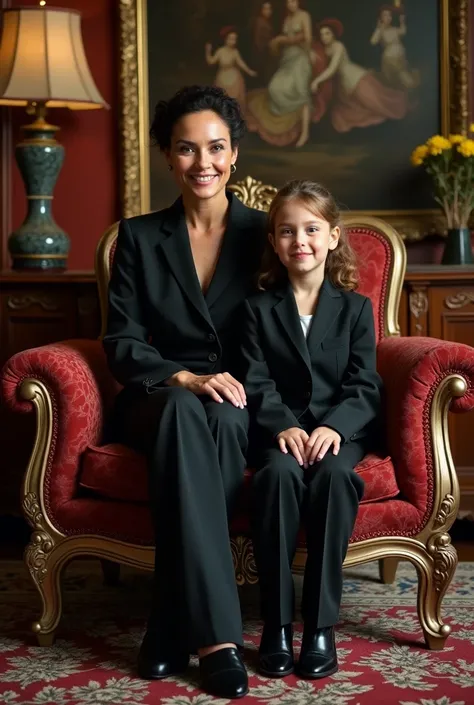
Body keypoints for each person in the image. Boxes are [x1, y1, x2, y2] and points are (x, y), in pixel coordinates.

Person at [102, 85, 267, 699]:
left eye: (216, 148)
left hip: (238, 400)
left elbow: (284, 334)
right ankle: (219, 639)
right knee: (180, 409)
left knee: (221, 420)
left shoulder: (263, 233)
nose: (204, 163)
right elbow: (121, 342)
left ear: (234, 155)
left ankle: (170, 619)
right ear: (168, 158)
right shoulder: (141, 238)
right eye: (187, 149)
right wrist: (183, 376)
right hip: (156, 395)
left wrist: (226, 387)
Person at [240, 180, 382, 679]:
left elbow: (365, 383)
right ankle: (276, 625)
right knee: (275, 478)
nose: (299, 240)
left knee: (335, 478)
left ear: (333, 236)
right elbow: (254, 379)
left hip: (338, 435)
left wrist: (336, 429)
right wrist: (281, 425)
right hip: (279, 436)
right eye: (287, 231)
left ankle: (319, 627)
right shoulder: (257, 310)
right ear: (275, 242)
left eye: (311, 229)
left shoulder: (355, 308)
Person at [311, 19, 408, 132]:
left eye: (327, 33)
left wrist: (316, 81)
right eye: (322, 34)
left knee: (379, 102)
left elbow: (332, 69)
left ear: (333, 35)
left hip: (356, 78)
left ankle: (401, 109)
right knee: (351, 111)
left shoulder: (338, 46)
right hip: (344, 85)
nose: (324, 37)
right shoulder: (325, 48)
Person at [205, 27, 257, 112]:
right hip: (222, 77)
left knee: (234, 99)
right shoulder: (220, 51)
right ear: (225, 39)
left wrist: (249, 71)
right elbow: (211, 62)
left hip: (234, 78)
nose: (233, 42)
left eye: (234, 39)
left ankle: (232, 115)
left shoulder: (235, 52)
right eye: (230, 39)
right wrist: (208, 51)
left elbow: (241, 63)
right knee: (222, 98)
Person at [370, 5, 419, 90]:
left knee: (402, 79)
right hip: (390, 59)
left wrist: (402, 22)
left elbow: (402, 32)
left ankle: (410, 90)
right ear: (380, 18)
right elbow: (373, 41)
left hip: (400, 57)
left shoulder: (393, 29)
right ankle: (411, 87)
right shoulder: (381, 30)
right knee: (403, 78)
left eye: (390, 15)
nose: (388, 17)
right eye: (385, 15)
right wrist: (379, 28)